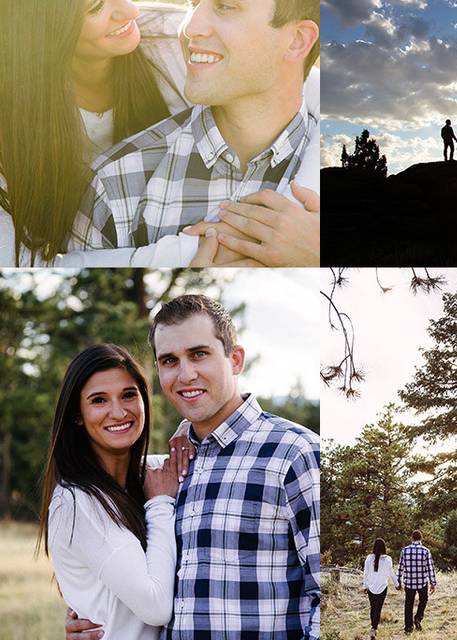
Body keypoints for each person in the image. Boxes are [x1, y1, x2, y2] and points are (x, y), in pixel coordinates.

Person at [67, 294, 322, 639]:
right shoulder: (166, 470)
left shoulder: (295, 453)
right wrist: (93, 624)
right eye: (170, 361)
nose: (185, 374)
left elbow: (326, 596)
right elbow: (136, 585)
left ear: (235, 359)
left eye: (199, 354)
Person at [0, 0, 322, 267]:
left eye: (223, 5)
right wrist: (186, 258)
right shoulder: (111, 188)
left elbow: (300, 80)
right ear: (43, 31)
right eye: (96, 5)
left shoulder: (163, 36)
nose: (131, 10)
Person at [37, 344, 183, 640]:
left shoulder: (146, 475)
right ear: (77, 415)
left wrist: (189, 434)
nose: (118, 412)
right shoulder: (77, 503)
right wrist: (159, 504)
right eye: (99, 400)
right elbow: (155, 606)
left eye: (129, 395)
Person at [397, 530, 438, 634]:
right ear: (421, 538)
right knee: (423, 600)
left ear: (412, 538)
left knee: (408, 604)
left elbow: (400, 567)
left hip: (409, 583)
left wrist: (398, 581)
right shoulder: (425, 551)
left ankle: (408, 627)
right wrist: (433, 583)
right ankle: (418, 618)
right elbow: (430, 568)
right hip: (422, 582)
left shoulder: (404, 550)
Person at [363, 538, 398, 639]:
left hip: (371, 586)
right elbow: (391, 573)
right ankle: (374, 628)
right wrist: (397, 584)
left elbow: (365, 573)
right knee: (378, 608)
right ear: (384, 547)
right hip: (382, 587)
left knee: (373, 608)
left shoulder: (369, 558)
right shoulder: (388, 559)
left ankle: (373, 627)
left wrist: (365, 586)